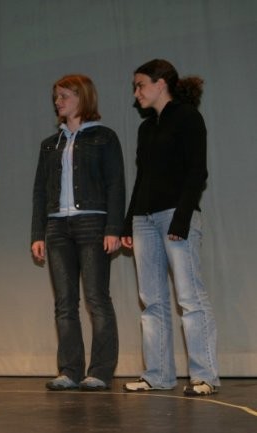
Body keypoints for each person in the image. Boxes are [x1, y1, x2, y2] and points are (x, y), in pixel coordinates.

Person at [121, 59, 219, 396]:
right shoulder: (146, 128)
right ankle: (159, 374)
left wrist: (181, 217)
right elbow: (142, 179)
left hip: (176, 215)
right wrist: (127, 221)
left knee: (190, 298)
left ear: (161, 83)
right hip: (144, 220)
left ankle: (204, 375)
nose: (137, 94)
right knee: (152, 300)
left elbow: (197, 173)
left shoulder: (188, 118)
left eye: (141, 85)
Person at [30, 75, 125, 392]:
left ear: (83, 98)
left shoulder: (104, 137)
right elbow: (40, 193)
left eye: (65, 96)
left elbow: (115, 185)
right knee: (65, 303)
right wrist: (38, 233)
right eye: (56, 97)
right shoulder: (50, 143)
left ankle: (100, 371)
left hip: (92, 224)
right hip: (57, 226)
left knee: (97, 298)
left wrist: (113, 228)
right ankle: (69, 370)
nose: (59, 102)